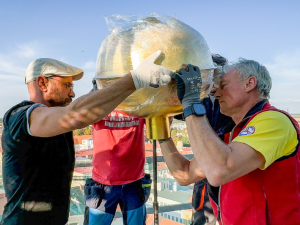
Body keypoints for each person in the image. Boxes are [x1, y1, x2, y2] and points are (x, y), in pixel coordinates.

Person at [1, 51, 172, 225]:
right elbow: (75, 114)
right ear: (43, 83)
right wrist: (134, 79)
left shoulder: (59, 125)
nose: (72, 93)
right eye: (67, 85)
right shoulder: (19, 117)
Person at [160, 59, 300, 225]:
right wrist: (163, 134)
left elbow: (220, 170)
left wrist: (191, 102)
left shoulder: (275, 121)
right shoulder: (232, 137)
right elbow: (184, 174)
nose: (217, 94)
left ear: (250, 83)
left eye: (223, 85)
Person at [83, 81, 151, 225]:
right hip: (103, 182)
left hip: (134, 181)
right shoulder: (100, 103)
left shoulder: (139, 102)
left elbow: (158, 123)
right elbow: (81, 110)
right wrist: (97, 90)